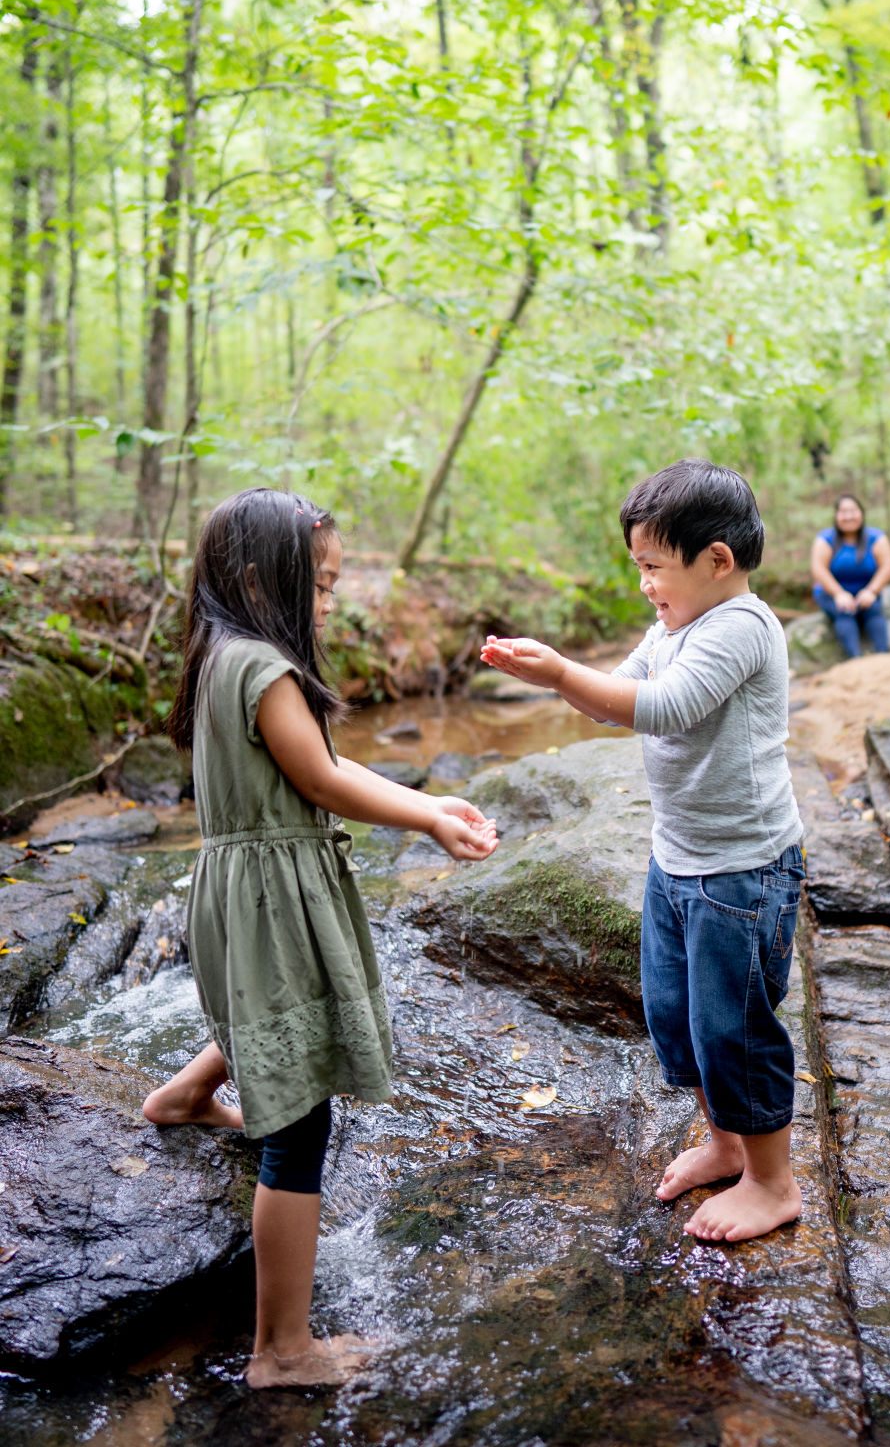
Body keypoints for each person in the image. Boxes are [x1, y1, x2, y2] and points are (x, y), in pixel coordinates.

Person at [141, 488, 498, 1389]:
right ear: (265, 580)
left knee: (277, 1015)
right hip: (270, 896)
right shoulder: (262, 665)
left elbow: (327, 765)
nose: (332, 603)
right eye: (324, 585)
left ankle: (181, 1096)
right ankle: (283, 1351)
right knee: (300, 1122)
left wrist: (428, 800)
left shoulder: (223, 655)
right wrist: (426, 826)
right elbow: (322, 781)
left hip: (245, 891)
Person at [479, 459, 805, 1245]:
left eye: (653, 568)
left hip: (742, 869)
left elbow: (663, 708)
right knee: (680, 1015)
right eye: (639, 569)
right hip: (679, 859)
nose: (644, 587)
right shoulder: (671, 626)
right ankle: (726, 1143)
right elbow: (611, 702)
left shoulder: (742, 628)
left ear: (716, 560)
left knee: (735, 1026)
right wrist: (554, 675)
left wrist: (562, 671)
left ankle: (773, 1181)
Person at [810, 494, 890, 657]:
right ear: (836, 515)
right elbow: (819, 569)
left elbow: (887, 567)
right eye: (843, 512)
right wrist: (839, 594)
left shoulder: (876, 537)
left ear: (861, 513)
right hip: (832, 594)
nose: (848, 517)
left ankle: (884, 655)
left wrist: (872, 591)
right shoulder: (825, 539)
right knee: (845, 611)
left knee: (874, 609)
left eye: (853, 511)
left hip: (866, 592)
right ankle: (855, 658)